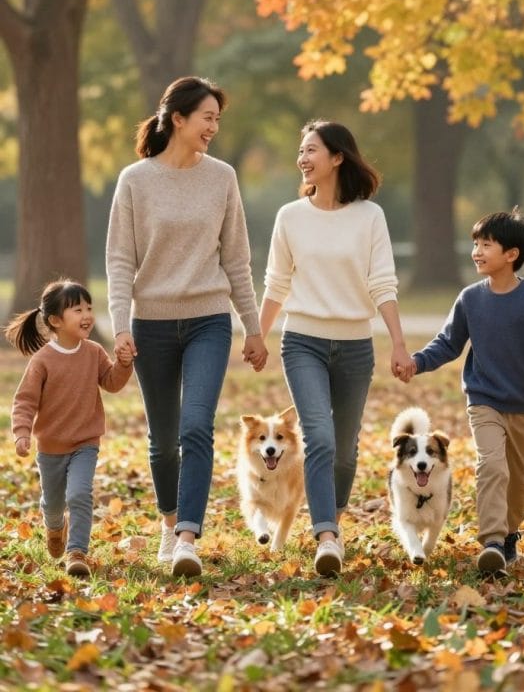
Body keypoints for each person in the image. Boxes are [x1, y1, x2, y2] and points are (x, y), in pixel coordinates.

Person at [106, 75, 268, 579]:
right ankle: (169, 521)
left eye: (218, 119)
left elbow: (237, 259)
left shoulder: (222, 177)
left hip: (208, 321)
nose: (214, 128)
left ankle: (187, 538)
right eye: (207, 118)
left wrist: (253, 326)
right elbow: (119, 261)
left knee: (197, 427)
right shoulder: (135, 180)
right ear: (178, 118)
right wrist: (119, 327)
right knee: (162, 437)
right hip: (150, 324)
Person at [259, 119, 411, 576]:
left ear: (338, 157)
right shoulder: (290, 216)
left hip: (355, 347)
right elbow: (277, 282)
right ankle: (326, 535)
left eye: (311, 150)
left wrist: (399, 344)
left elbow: (382, 283)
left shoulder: (369, 217)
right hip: (302, 341)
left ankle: (333, 521)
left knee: (344, 449)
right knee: (319, 438)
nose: (302, 158)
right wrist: (257, 334)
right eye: (300, 150)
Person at [399, 208, 524, 575]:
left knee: (518, 477)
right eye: (476, 243)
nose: (476, 251)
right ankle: (492, 541)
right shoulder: (470, 298)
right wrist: (417, 362)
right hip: (483, 398)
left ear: (511, 255)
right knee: (492, 466)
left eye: (486, 245)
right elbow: (448, 343)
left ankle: (510, 534)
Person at [8, 279, 134, 577]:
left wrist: (124, 364)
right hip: (50, 447)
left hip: (85, 443)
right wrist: (22, 433)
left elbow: (112, 382)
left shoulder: (93, 352)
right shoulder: (43, 360)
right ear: (55, 320)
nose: (87, 314)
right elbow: (24, 401)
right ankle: (55, 527)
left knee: (79, 494)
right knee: (53, 504)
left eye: (89, 307)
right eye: (77, 309)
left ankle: (77, 551)